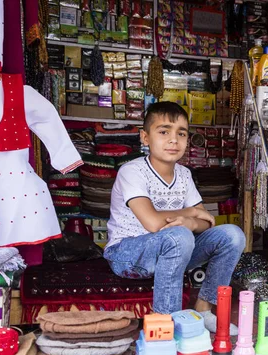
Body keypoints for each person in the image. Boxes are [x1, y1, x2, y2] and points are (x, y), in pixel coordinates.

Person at [104, 102, 245, 335]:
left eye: (181, 133)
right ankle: (166, 323)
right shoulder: (132, 171)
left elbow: (206, 222)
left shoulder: (184, 174)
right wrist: (188, 215)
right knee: (179, 235)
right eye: (163, 132)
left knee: (232, 235)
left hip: (173, 248)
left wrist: (191, 223)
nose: (173, 140)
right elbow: (153, 223)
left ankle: (203, 308)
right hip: (127, 253)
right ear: (145, 137)